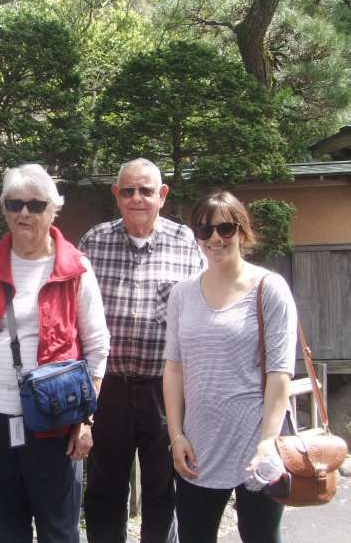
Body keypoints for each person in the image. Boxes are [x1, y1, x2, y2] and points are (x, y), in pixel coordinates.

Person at [0, 163, 110, 543]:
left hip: (57, 422)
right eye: (15, 204)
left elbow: (98, 345)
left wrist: (85, 420)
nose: (24, 213)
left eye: (35, 205)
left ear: (53, 210)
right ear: (3, 209)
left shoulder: (75, 268)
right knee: (8, 527)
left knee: (58, 530)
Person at [79, 158, 204, 543]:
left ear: (162, 195)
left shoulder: (187, 244)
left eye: (146, 190)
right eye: (128, 190)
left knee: (162, 486)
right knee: (103, 487)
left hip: (163, 387)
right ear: (116, 195)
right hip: (108, 386)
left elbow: (201, 313)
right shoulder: (93, 242)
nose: (137, 198)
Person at [163, 190, 297, 543]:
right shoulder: (182, 294)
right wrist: (176, 435)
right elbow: (174, 368)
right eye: (204, 230)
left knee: (261, 537)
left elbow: (280, 372)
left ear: (242, 230)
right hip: (198, 445)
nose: (215, 239)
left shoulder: (269, 288)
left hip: (255, 444)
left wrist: (269, 441)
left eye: (224, 228)